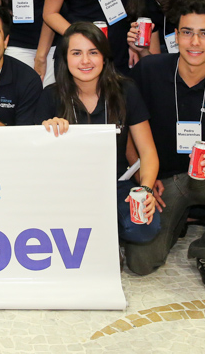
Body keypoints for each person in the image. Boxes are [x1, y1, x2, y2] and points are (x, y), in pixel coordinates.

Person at [125, 0, 205, 296]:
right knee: (140, 263)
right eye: (187, 32)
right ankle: (178, 218)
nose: (195, 42)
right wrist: (142, 178)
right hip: (163, 181)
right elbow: (129, 132)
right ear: (176, 36)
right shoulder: (149, 70)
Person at [39, 22, 161, 244]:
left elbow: (148, 152)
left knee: (143, 228)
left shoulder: (126, 90)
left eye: (93, 52)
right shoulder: (50, 96)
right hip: (67, 187)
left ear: (104, 57)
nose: (85, 61)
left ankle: (108, 235)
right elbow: (35, 157)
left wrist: (146, 190)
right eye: (76, 53)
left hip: (116, 183)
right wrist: (47, 131)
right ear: (65, 59)